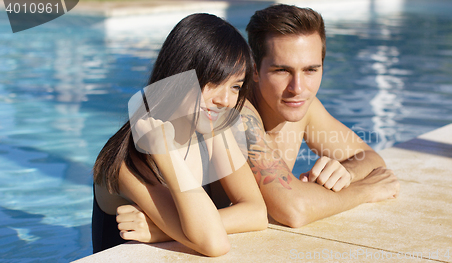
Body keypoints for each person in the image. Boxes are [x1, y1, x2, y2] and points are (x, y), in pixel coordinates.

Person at [117, 4, 400, 239]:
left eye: (311, 69)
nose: (298, 87)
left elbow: (369, 157)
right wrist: (365, 190)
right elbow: (293, 209)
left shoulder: (303, 105)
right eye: (282, 70)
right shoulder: (232, 114)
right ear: (254, 70)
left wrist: (347, 173)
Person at [92, 13, 267, 257]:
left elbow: (257, 212)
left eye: (235, 86)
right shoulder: (127, 160)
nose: (226, 100)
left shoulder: (213, 130)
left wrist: (162, 231)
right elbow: (213, 242)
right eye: (214, 81)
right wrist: (165, 154)